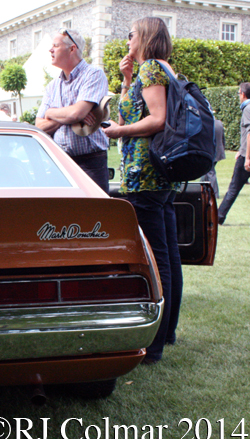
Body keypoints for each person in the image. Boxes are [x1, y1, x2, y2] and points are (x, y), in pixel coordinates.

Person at [102, 17, 182, 363]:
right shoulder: (160, 69)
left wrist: (118, 134)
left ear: (145, 37)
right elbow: (132, 109)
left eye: (131, 34)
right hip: (161, 175)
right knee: (169, 255)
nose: (128, 39)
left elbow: (157, 118)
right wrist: (126, 80)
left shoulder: (152, 68)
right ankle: (170, 331)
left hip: (145, 174)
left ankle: (156, 344)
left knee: (156, 257)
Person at [36, 28, 110, 194]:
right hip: (60, 163)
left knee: (95, 215)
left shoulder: (93, 75)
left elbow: (77, 113)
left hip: (90, 163)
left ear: (72, 48)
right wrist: (69, 116)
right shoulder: (52, 86)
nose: (50, 49)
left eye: (55, 45)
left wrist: (51, 113)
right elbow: (39, 126)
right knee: (64, 217)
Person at [217, 83, 250, 224]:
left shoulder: (247, 109)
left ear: (242, 93)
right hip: (244, 153)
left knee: (233, 188)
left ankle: (218, 216)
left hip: (246, 157)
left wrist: (247, 157)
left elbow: (249, 134)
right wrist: (240, 150)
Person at [201, 118, 226, 198]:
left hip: (210, 152)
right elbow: (223, 139)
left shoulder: (206, 122)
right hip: (218, 151)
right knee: (206, 171)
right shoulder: (219, 123)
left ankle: (215, 194)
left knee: (210, 172)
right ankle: (201, 190)